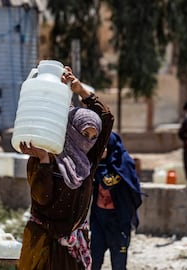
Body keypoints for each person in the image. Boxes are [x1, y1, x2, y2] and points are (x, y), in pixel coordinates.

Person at [16, 66, 114, 270]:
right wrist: (43, 159)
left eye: (91, 137)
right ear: (70, 129)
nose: (87, 141)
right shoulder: (46, 151)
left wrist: (80, 90)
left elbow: (106, 118)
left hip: (73, 246)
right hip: (43, 244)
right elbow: (42, 198)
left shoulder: (88, 161)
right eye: (82, 133)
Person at [90, 132, 142, 270]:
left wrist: (98, 165)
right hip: (99, 218)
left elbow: (108, 181)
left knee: (118, 264)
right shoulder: (96, 163)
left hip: (118, 221)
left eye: (104, 146)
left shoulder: (123, 163)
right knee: (93, 260)